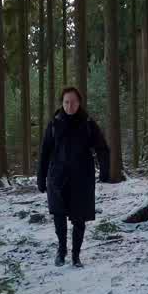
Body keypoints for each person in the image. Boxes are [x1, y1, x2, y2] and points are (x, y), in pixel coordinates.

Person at [37, 87, 111, 267]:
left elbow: (102, 147)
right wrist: (41, 176)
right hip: (57, 177)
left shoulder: (87, 123)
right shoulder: (54, 124)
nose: (70, 106)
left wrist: (104, 170)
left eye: (74, 102)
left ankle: (76, 255)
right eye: (66, 102)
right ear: (62, 103)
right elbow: (45, 151)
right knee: (59, 215)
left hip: (82, 177)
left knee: (79, 218)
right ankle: (61, 251)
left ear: (79, 103)